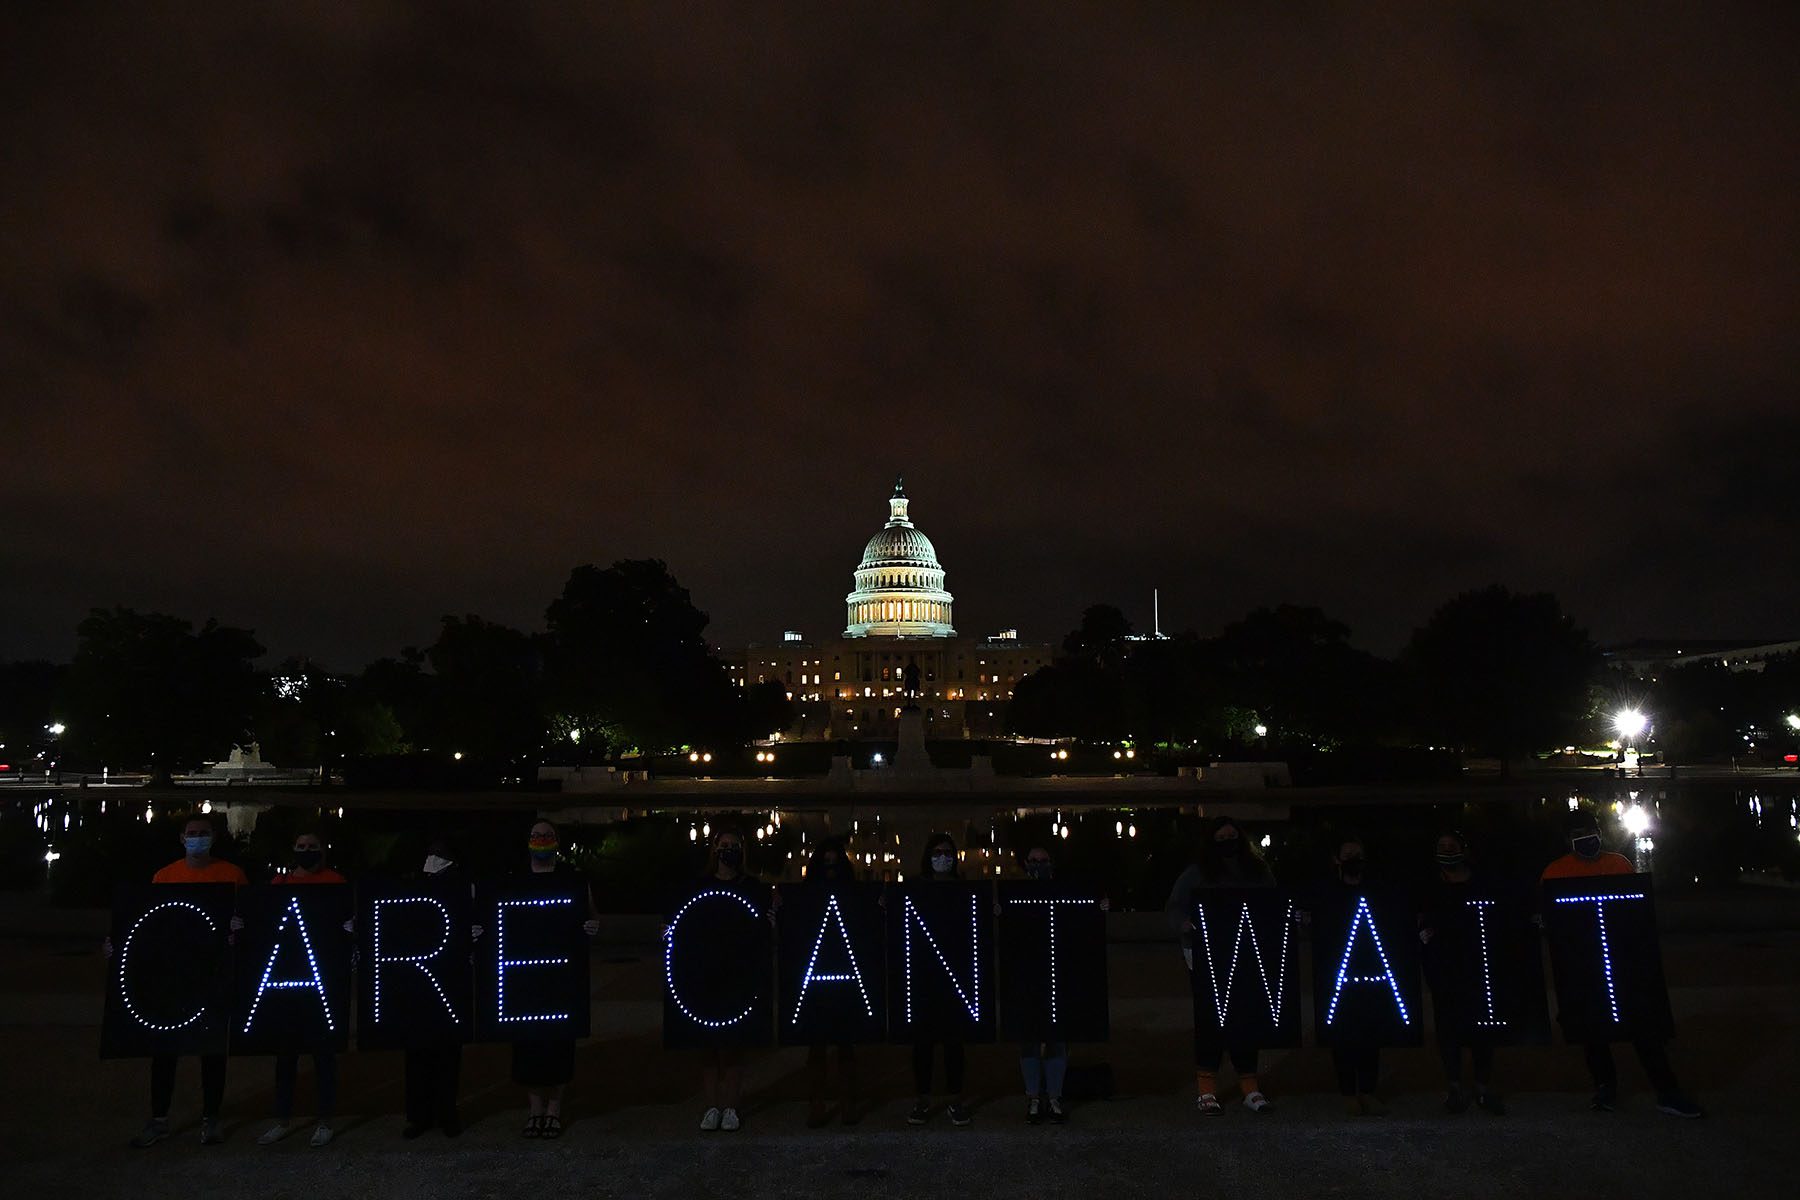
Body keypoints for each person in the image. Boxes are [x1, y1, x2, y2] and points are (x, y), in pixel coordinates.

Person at [1542, 813, 1702, 1118]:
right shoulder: (1555, 872)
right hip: (1584, 966)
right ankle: (1605, 1088)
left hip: (1622, 962)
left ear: (1600, 833)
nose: (1585, 839)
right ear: (1567, 840)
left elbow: (1635, 914)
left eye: (1590, 832)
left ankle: (1667, 1091)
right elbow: (1552, 921)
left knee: (1643, 1027)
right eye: (1578, 833)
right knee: (1592, 1031)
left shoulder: (1619, 864)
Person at [117, 813, 248, 1148]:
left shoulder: (232, 875)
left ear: (213, 838)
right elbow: (150, 924)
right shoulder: (164, 876)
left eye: (203, 833)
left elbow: (246, 918)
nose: (197, 838)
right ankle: (159, 1117)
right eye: (192, 833)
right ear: (182, 838)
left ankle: (211, 1118)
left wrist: (239, 932)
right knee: (164, 1050)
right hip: (173, 976)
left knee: (213, 1049)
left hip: (212, 972)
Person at [1164, 817, 1275, 1115]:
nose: (1228, 843)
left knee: (1247, 1018)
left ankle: (1249, 1086)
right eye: (1222, 837)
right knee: (1209, 1019)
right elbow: (1175, 906)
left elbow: (1272, 904)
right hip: (1206, 956)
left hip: (1248, 956)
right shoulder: (1196, 873)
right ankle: (1206, 1087)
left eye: (1232, 836)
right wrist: (1183, 925)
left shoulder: (1258, 872)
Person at [254, 830, 349, 1148]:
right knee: (285, 1056)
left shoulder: (337, 883)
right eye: (301, 846)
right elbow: (265, 927)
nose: (306, 851)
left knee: (324, 1056)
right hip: (285, 982)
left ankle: (325, 1120)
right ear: (293, 850)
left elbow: (346, 925)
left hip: (322, 982)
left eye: (312, 846)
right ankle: (281, 1118)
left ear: (323, 850)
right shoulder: (279, 886)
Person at [509, 820, 601, 1139]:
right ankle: (535, 1110)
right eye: (536, 835)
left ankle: (554, 1110)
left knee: (560, 1044)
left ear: (556, 842)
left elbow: (590, 914)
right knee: (528, 1044)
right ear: (528, 842)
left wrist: (592, 927)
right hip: (525, 975)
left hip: (562, 975)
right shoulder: (516, 881)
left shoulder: (572, 880)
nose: (542, 840)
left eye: (547, 835)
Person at [1418, 831, 1504, 1116]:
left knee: (1482, 1027)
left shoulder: (1482, 883)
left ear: (1464, 850)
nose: (1446, 851)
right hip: (1443, 968)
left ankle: (1482, 1086)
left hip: (1480, 966)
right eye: (1441, 846)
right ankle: (1454, 1086)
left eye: (1451, 846)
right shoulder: (1429, 886)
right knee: (1448, 1027)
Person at [691, 828, 768, 1133]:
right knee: (709, 1047)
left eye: (734, 846)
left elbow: (760, 927)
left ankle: (731, 1106)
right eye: (724, 846)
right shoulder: (701, 885)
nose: (728, 851)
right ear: (714, 850)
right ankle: (712, 1106)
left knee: (733, 1045)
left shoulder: (751, 886)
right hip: (708, 972)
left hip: (737, 973)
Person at [403, 838, 470, 1139]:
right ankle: (420, 1115)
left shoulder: (461, 888)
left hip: (448, 979)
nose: (434, 860)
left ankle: (446, 1113)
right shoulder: (414, 886)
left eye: (439, 855)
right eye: (432, 854)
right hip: (422, 980)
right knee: (419, 1052)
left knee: (447, 1053)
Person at [907, 832, 972, 1128]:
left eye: (947, 852)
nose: (942, 857)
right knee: (922, 1043)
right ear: (928, 857)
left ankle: (955, 1099)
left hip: (955, 978)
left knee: (953, 1043)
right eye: (937, 852)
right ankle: (923, 1099)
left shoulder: (964, 889)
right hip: (923, 978)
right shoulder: (916, 889)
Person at [1015, 844, 1080, 1125]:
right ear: (1025, 864)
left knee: (1057, 1038)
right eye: (1033, 860)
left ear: (1052, 863)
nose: (1038, 865)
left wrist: (1097, 906)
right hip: (1028, 976)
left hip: (1058, 974)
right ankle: (1033, 1096)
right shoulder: (1016, 896)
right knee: (1029, 1037)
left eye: (1043, 860)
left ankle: (1053, 1096)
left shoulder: (1064, 892)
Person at [798, 839, 860, 1127]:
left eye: (835, 862)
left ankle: (846, 1102)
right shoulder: (810, 896)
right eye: (827, 863)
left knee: (844, 1043)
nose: (830, 868)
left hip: (841, 976)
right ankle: (817, 1103)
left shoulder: (849, 895)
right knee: (818, 1045)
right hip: (820, 976)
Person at [1324, 837, 1386, 1116]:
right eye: (1348, 854)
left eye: (1358, 854)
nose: (1353, 859)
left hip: (1372, 972)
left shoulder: (1377, 891)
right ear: (1337, 860)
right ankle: (1348, 1092)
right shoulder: (1328, 893)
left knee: (1371, 1033)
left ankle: (1369, 1091)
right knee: (1342, 1035)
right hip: (1338, 975)